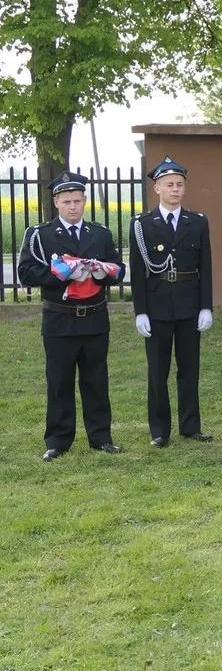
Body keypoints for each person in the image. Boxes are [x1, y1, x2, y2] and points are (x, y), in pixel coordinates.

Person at [18, 171, 125, 461]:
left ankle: (101, 437)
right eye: (67, 202)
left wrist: (105, 273)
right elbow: (26, 273)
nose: (73, 207)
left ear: (85, 201)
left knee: (96, 380)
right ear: (56, 202)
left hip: (94, 318)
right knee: (59, 381)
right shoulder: (40, 235)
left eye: (78, 201)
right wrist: (60, 274)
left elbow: (117, 269)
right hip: (59, 319)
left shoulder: (100, 233)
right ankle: (58, 440)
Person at [130, 157, 214, 446]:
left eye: (179, 184)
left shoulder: (197, 222)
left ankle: (190, 426)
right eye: (169, 185)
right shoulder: (142, 224)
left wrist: (206, 306)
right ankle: (159, 430)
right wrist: (140, 311)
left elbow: (206, 266)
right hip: (157, 306)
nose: (175, 189)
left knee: (189, 369)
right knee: (158, 371)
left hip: (189, 303)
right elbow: (138, 272)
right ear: (157, 188)